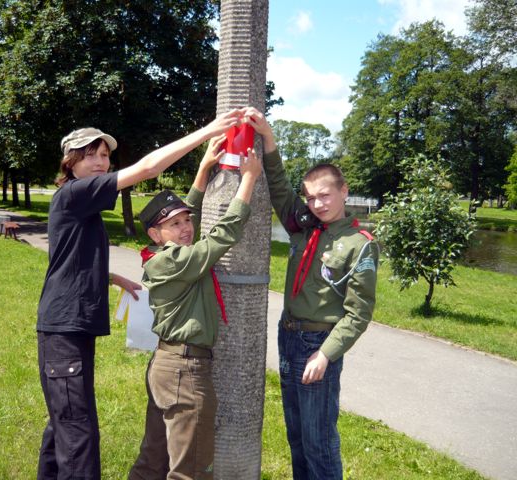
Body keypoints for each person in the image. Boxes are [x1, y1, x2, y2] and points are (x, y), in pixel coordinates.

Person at [36, 110, 245, 480]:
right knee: (78, 432)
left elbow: (66, 258)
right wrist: (209, 131)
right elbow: (148, 168)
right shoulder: (75, 192)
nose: (101, 162)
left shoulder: (78, 204)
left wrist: (113, 277)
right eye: (90, 155)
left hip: (71, 328)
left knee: (63, 422)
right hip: (65, 329)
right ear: (70, 162)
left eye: (105, 155)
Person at [245, 107, 378, 480]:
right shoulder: (303, 228)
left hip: (318, 343)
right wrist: (268, 138)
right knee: (297, 435)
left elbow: (358, 313)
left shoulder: (359, 245)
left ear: (344, 192)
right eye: (312, 197)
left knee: (319, 439)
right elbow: (280, 186)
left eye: (325, 195)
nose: (317, 203)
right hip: (288, 337)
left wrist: (325, 354)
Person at [128, 134, 263, 480]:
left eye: (187, 220)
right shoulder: (175, 261)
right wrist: (249, 179)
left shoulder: (165, 254)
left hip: (169, 366)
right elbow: (223, 235)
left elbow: (186, 219)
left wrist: (202, 171)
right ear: (155, 235)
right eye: (174, 224)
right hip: (185, 372)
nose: (186, 228)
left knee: (153, 459)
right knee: (191, 469)